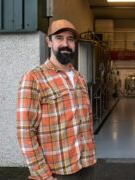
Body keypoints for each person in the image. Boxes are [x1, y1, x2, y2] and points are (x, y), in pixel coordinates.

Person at [17, 19, 96, 180]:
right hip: (58, 171)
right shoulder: (33, 78)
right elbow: (25, 132)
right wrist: (43, 175)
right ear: (49, 42)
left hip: (87, 164)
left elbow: (85, 122)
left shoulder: (79, 78)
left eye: (71, 39)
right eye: (59, 38)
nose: (65, 44)